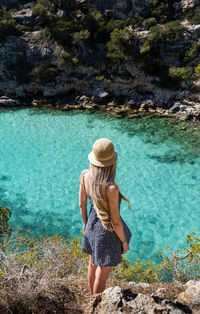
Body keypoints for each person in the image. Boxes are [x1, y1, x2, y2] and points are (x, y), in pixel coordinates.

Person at [79, 138, 132, 295]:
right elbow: (115, 222)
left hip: (91, 227)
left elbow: (82, 205)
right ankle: (96, 306)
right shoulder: (111, 188)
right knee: (101, 278)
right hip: (106, 234)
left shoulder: (84, 175)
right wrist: (124, 242)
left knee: (92, 265)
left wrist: (85, 224)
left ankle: (91, 298)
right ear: (112, 163)